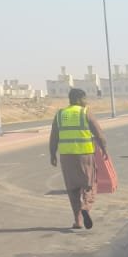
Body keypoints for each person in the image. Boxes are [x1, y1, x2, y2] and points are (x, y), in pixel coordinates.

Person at [49, 88, 99, 230]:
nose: (86, 101)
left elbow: (54, 137)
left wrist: (52, 154)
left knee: (72, 189)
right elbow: (99, 133)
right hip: (85, 156)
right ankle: (86, 207)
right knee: (90, 185)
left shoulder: (60, 114)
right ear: (78, 99)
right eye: (84, 98)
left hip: (66, 158)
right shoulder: (85, 112)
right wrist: (104, 149)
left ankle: (78, 221)